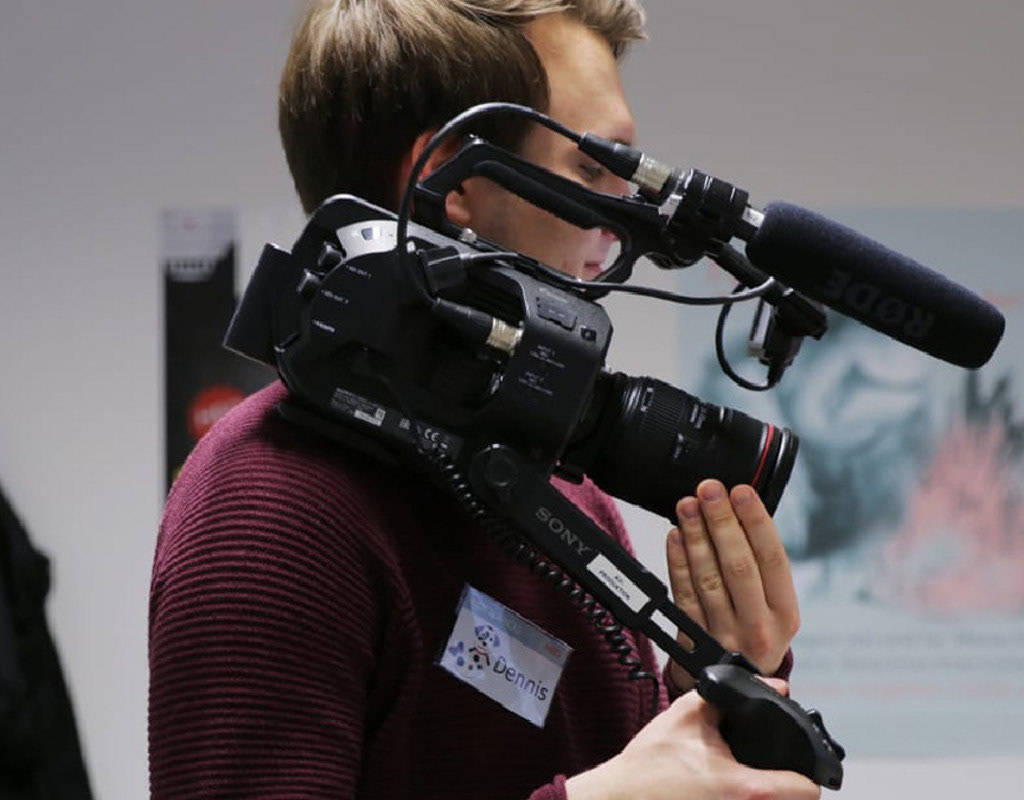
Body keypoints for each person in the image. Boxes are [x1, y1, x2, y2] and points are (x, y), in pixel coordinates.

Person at [148, 2, 817, 798]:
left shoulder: (554, 484)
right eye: (591, 172)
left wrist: (709, 698)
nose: (617, 225)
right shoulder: (267, 508)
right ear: (454, 181)